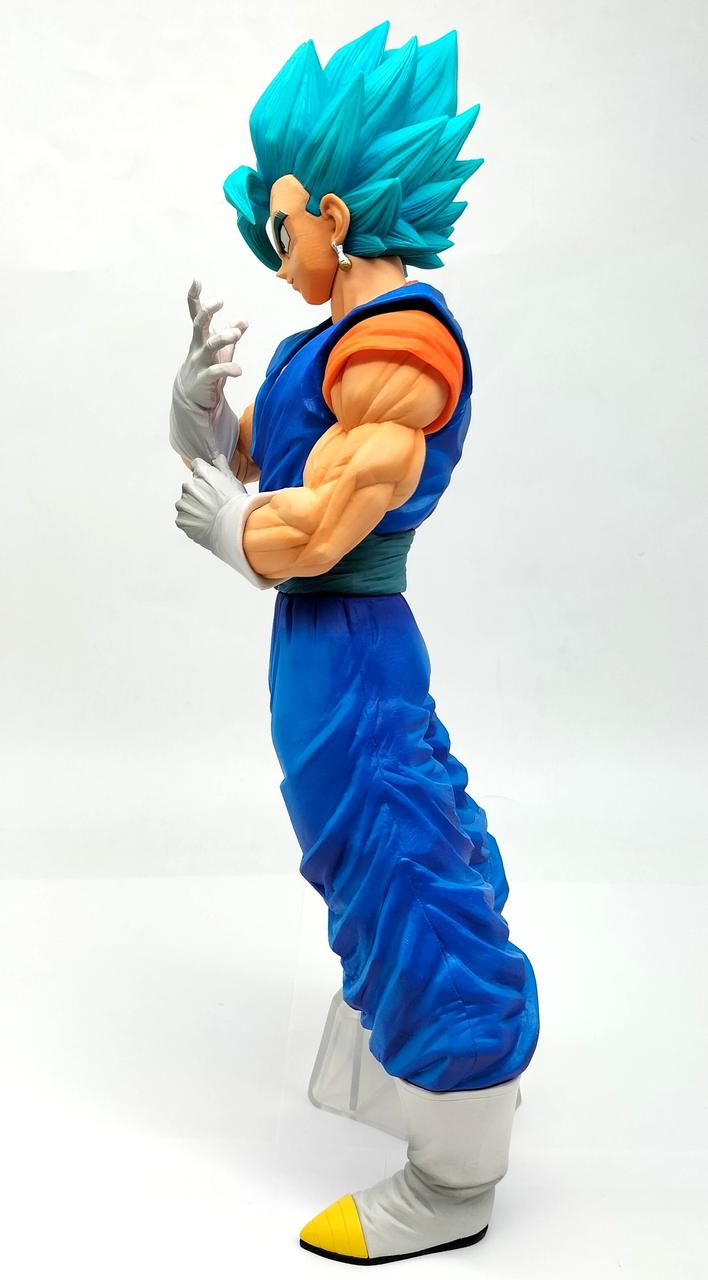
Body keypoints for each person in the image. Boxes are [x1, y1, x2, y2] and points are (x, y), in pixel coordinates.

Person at [170, 22, 540, 1266]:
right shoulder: (324, 343)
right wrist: (200, 410)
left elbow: (324, 522)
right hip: (318, 654)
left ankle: (456, 1168)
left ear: (333, 212)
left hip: (356, 643)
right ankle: (432, 1078)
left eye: (283, 225)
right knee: (373, 852)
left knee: (401, 850)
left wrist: (238, 531)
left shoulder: (401, 345)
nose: (276, 250)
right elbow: (261, 463)